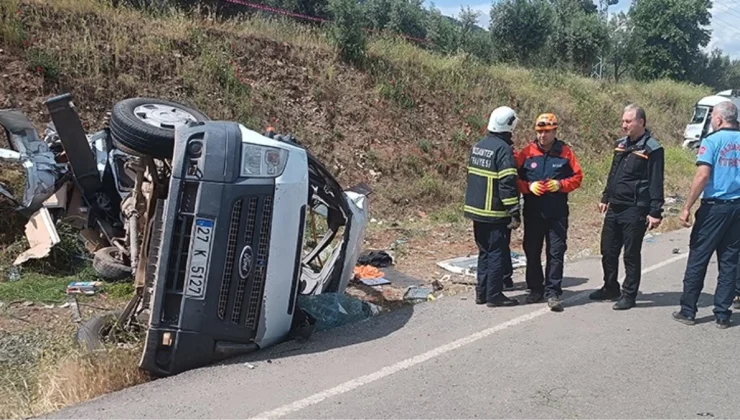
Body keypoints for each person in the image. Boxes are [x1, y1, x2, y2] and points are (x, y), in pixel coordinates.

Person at [672, 100, 740, 329]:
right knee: (730, 260)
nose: (711, 121)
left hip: (715, 207)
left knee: (699, 257)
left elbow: (702, 175)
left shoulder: (711, 141)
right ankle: (722, 313)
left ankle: (688, 310)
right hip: (737, 207)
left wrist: (686, 206)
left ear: (719, 119)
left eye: (712, 117)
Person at [591, 104, 665, 310]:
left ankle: (629, 294)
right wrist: (605, 196)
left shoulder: (652, 148)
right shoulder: (621, 145)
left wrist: (655, 211)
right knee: (608, 249)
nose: (624, 125)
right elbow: (613, 173)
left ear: (641, 122)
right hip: (615, 206)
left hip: (636, 208)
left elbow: (656, 181)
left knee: (631, 254)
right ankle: (610, 287)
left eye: (628, 121)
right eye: (623, 121)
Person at [516, 113, 583, 312]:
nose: (543, 135)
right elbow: (512, 179)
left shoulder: (565, 153)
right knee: (532, 251)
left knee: (555, 253)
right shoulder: (527, 152)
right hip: (533, 213)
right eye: (539, 131)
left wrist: (560, 184)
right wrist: (528, 187)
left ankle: (553, 292)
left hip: (557, 214)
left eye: (547, 131)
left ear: (555, 131)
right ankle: (535, 289)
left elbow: (578, 177)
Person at [464, 106, 522, 307]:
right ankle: (495, 295)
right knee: (497, 252)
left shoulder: (479, 146)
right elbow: (507, 183)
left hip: (476, 211)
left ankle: (481, 293)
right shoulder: (503, 150)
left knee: (484, 252)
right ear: (509, 126)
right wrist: (514, 211)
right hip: (495, 212)